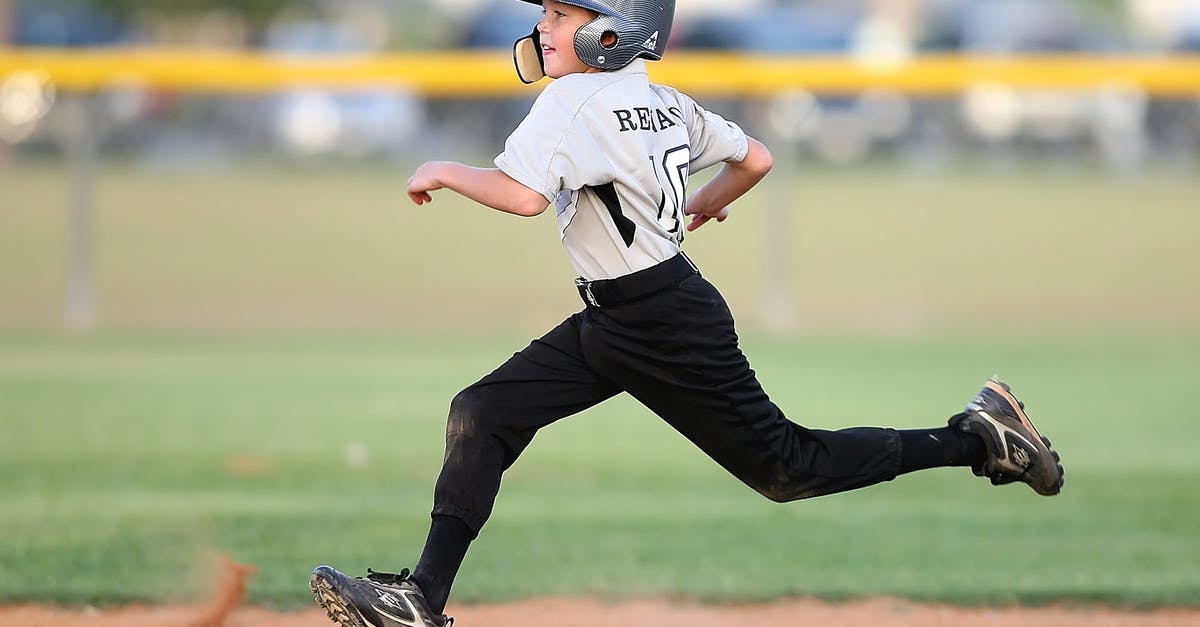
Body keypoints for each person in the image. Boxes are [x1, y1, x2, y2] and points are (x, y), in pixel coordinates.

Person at [309, 1, 1065, 625]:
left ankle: (977, 438)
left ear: (616, 28)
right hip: (628, 315)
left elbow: (524, 197)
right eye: (546, 12)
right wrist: (701, 204)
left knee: (788, 468)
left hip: (661, 325)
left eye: (563, 14)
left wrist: (443, 169)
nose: (543, 25)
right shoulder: (663, 99)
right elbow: (756, 157)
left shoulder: (571, 101)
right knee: (483, 411)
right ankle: (421, 598)